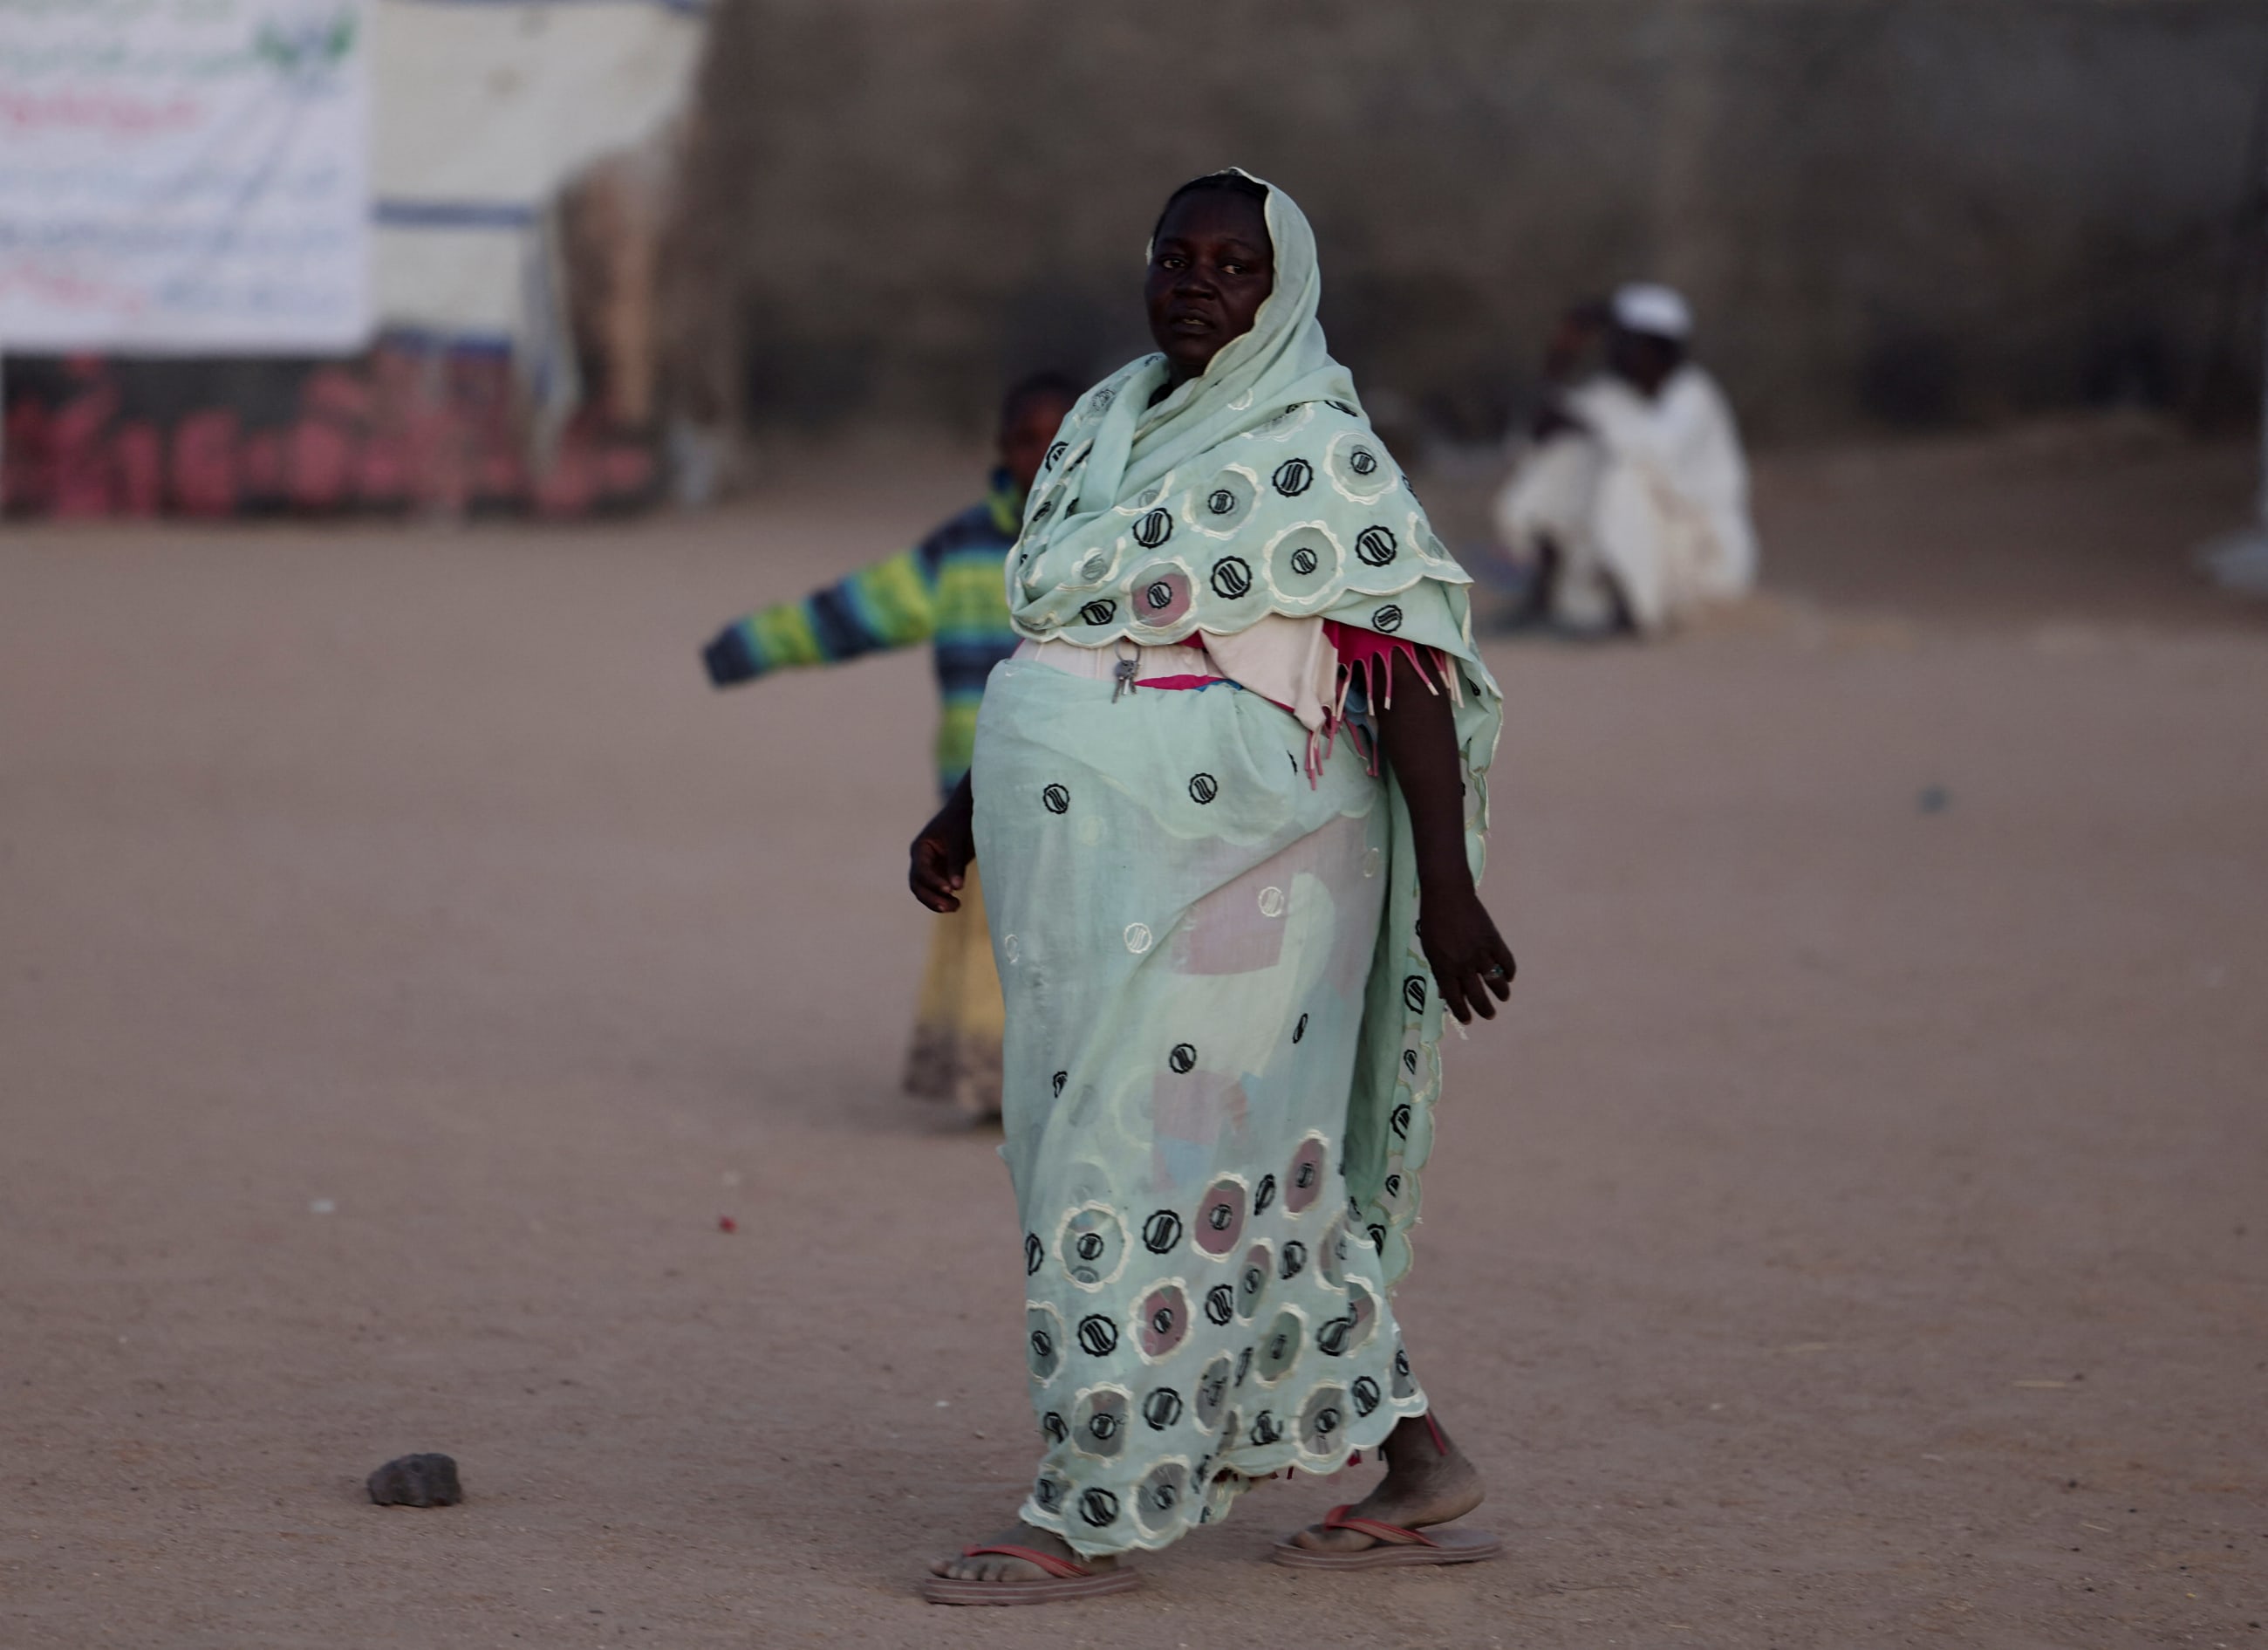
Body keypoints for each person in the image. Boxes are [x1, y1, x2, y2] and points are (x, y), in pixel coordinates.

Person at [908, 169, 1515, 1605]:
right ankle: (1415, 1453)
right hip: (1085, 869)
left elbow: (1406, 667)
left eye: (1234, 265)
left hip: (1255, 861)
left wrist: (1451, 893)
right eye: (1176, 259)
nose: (1198, 284)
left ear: (1281, 288)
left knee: (1130, 1155)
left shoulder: (1317, 447)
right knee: (1202, 1157)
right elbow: (1068, 642)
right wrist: (965, 810)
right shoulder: (1109, 426)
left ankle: (1087, 1500)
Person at [700, 373, 1082, 1119]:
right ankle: (994, 1087)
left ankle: (1067, 1085)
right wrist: (745, 648)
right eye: (1025, 440)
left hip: (1089, 793)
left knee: (1075, 941)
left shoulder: (1120, 542)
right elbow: (857, 610)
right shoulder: (962, 550)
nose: (1043, 456)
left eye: (1060, 439)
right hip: (974, 800)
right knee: (986, 943)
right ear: (999, 453)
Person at [1492, 282, 1757, 635]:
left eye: (1624, 341)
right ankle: (1541, 595)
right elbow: (1535, 435)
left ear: (1656, 347)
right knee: (1563, 458)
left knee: (1626, 476)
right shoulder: (1610, 395)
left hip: (1701, 555)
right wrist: (1563, 349)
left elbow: (1654, 458)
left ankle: (1630, 613)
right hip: (1640, 549)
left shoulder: (1695, 395)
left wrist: (1579, 424)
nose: (1612, 351)